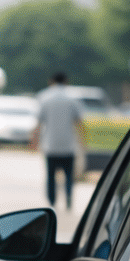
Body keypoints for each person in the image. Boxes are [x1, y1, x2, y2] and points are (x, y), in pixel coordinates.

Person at [32, 72, 83, 210]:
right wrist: (83, 144)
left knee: (50, 176)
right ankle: (68, 199)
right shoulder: (72, 98)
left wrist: (34, 141)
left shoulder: (44, 97)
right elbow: (79, 123)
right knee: (68, 176)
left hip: (50, 145)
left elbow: (38, 123)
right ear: (66, 81)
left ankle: (52, 202)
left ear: (51, 81)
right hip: (68, 145)